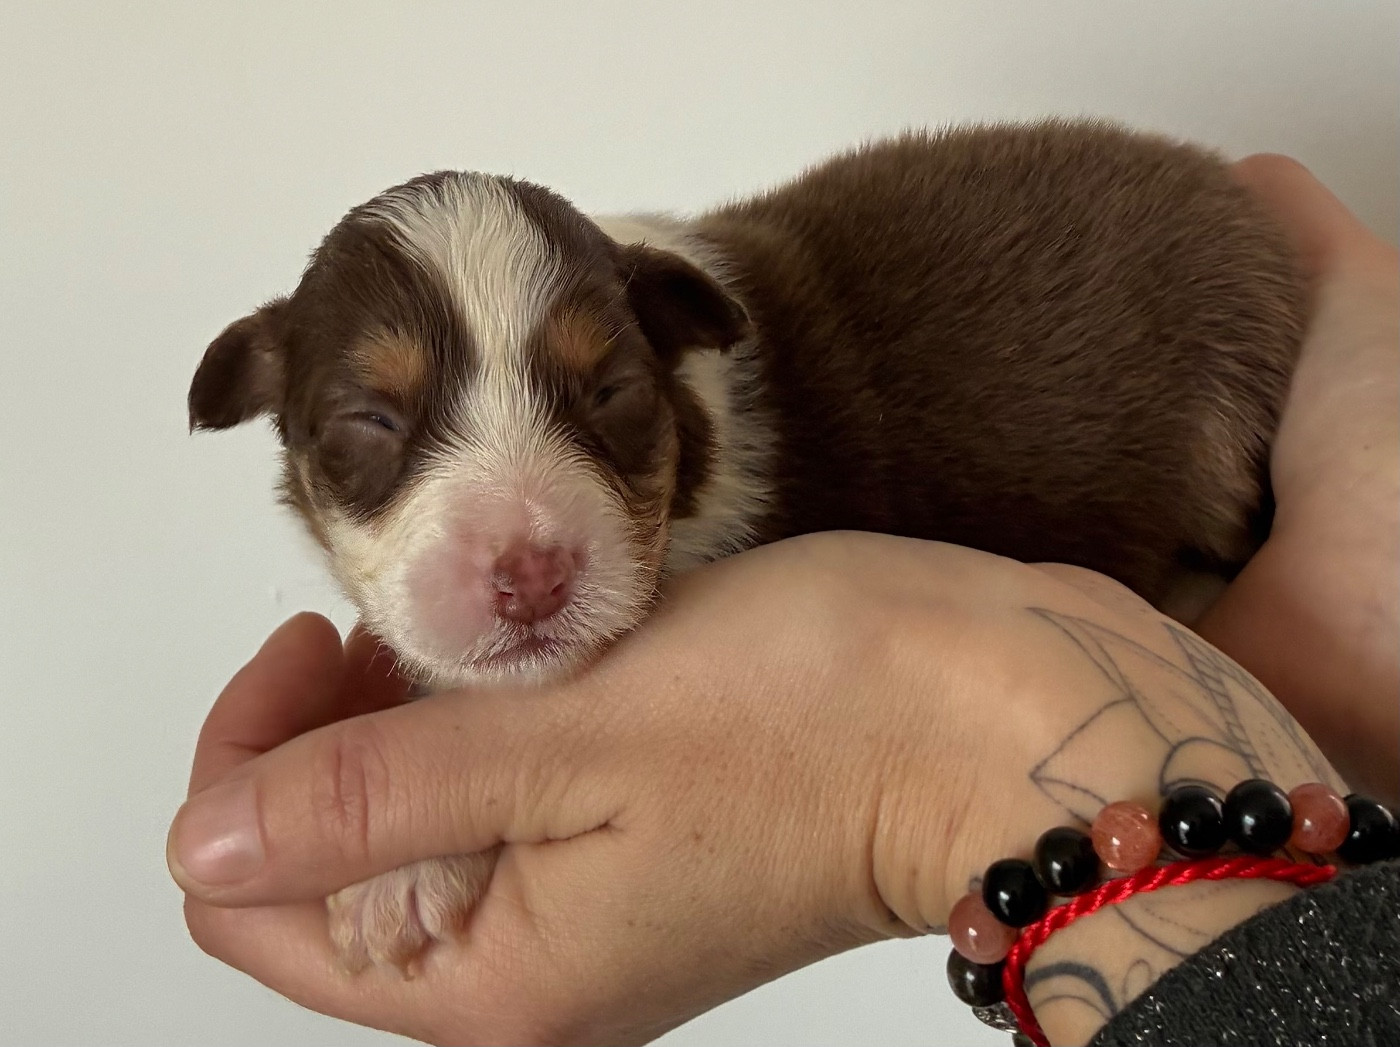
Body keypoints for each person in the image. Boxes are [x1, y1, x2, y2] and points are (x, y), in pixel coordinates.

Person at [167, 155, 1398, 1046]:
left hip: (1193, 334)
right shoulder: (632, 318)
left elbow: (659, 710)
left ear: (671, 347)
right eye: (376, 427)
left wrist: (454, 814)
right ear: (276, 414)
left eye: (607, 403)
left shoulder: (745, 436)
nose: (527, 557)